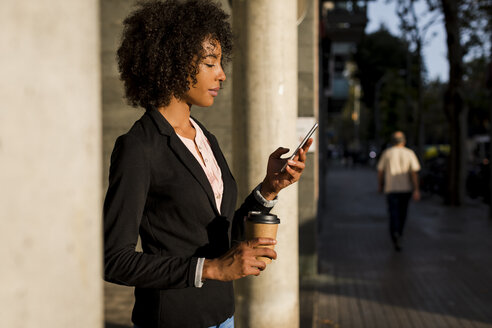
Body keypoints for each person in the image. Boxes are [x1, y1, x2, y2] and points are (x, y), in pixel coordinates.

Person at [103, 1, 313, 327]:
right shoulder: (138, 147)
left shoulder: (205, 136)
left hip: (222, 314)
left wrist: (270, 188)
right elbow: (114, 260)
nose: (222, 74)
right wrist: (210, 268)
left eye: (220, 62)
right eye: (210, 62)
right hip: (173, 318)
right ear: (174, 62)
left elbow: (220, 229)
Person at [377, 131, 420, 251]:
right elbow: (414, 172)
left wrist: (380, 185)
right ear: (404, 141)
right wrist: (416, 189)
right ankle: (399, 232)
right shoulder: (409, 153)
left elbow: (380, 171)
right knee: (403, 213)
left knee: (393, 213)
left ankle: (395, 233)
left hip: (391, 188)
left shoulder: (387, 153)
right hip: (405, 189)